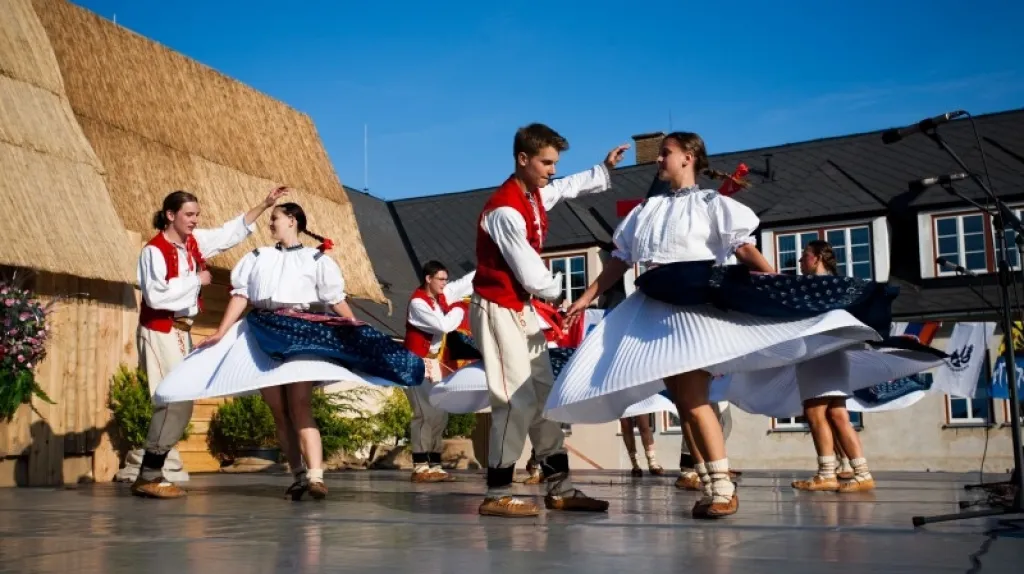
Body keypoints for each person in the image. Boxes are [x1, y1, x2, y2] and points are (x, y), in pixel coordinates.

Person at [548, 131, 898, 518]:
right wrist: (584, 299)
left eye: (666, 153)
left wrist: (778, 283)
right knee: (684, 403)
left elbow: (743, 248)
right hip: (652, 307)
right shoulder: (645, 212)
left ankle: (722, 488)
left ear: (689, 158)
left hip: (693, 307)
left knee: (696, 401)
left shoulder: (712, 204)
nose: (658, 159)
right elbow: (619, 260)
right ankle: (709, 480)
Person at [153, 202, 425, 500]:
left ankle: (316, 477)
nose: (271, 224)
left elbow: (334, 299)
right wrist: (220, 331)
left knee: (300, 405)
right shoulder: (258, 257)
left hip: (300, 332)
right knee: (279, 411)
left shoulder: (316, 258)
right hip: (262, 331)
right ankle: (297, 475)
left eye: (275, 218)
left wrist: (354, 326)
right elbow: (241, 296)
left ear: (292, 221)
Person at [471, 122, 629, 517]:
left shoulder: (534, 192)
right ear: (523, 159)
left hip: (519, 308)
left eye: (555, 162)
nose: (552, 170)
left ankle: (560, 487)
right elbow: (529, 272)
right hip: (496, 307)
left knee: (544, 394)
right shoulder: (505, 209)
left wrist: (602, 170)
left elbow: (565, 187)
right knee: (514, 399)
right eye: (546, 162)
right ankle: (497, 492)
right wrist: (560, 296)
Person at [130, 186, 287, 499]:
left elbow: (229, 233)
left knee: (182, 400)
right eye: (189, 214)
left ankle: (152, 471)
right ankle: (148, 474)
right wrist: (196, 280)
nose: (195, 220)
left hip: (181, 331)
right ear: (170, 215)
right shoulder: (153, 251)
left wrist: (263, 204)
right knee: (173, 398)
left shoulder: (192, 243)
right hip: (160, 329)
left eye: (197, 214)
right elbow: (155, 295)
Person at [403, 260, 475, 482]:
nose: (445, 283)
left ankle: (434, 462)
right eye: (441, 279)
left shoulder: (441, 295)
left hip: (434, 362)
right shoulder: (418, 303)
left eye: (446, 279)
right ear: (428, 278)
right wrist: (458, 309)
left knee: (440, 414)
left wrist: (491, 261)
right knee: (424, 413)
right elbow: (443, 325)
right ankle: (420, 465)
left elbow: (466, 283)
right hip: (415, 362)